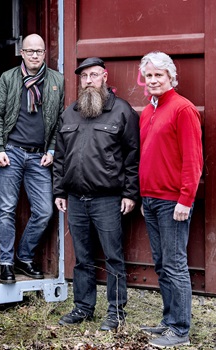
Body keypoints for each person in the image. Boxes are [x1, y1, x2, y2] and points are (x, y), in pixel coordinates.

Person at [53, 57, 140, 331]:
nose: (89, 80)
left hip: (108, 200)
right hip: (76, 200)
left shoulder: (122, 111)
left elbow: (133, 157)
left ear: (104, 76)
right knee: (83, 257)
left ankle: (115, 312)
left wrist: (130, 193)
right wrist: (60, 191)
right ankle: (83, 307)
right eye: (84, 77)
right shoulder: (70, 113)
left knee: (113, 256)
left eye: (93, 75)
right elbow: (60, 157)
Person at [0, 34, 65, 284]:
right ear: (22, 52)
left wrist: (51, 150)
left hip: (38, 157)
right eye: (29, 51)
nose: (34, 55)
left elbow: (60, 120)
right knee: (6, 210)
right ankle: (7, 263)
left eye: (39, 51)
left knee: (44, 211)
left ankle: (23, 256)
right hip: (11, 152)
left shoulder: (56, 80)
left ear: (44, 54)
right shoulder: (9, 78)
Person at [137, 51, 203, 348]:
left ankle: (180, 330)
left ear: (170, 77)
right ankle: (168, 320)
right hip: (150, 200)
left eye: (158, 75)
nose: (153, 80)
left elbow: (193, 159)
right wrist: (143, 195)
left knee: (175, 265)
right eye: (148, 75)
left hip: (172, 202)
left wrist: (185, 199)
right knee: (162, 264)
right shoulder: (147, 111)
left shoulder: (183, 109)